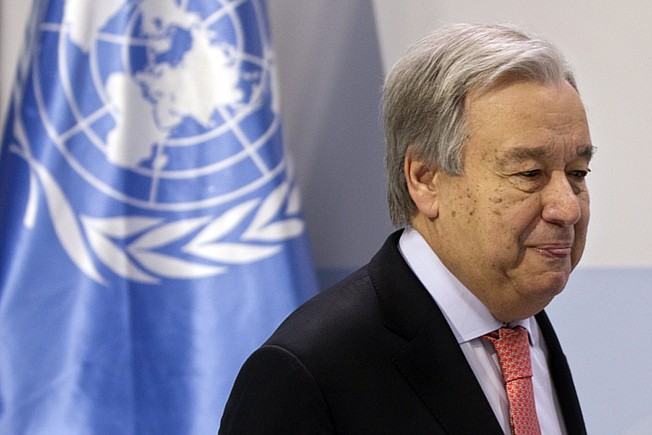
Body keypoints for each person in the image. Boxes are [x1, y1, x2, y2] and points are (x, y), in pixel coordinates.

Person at [219, 23, 591, 434]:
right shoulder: (307, 373)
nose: (567, 207)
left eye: (577, 172)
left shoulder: (525, 328)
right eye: (529, 172)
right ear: (425, 179)